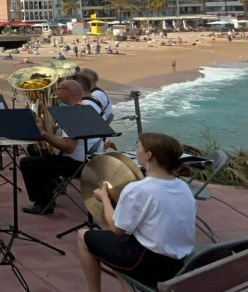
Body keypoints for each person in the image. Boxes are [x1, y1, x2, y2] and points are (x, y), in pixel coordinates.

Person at [77, 133, 196, 291]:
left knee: (83, 236)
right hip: (179, 262)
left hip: (147, 263)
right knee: (112, 247)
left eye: (138, 147)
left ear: (148, 155)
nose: (136, 150)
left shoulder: (138, 189)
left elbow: (116, 229)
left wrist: (105, 198)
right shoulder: (183, 187)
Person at [19, 80, 91, 214]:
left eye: (58, 89)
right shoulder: (83, 108)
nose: (56, 92)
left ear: (67, 92)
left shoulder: (73, 114)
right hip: (81, 159)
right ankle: (49, 193)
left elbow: (69, 147)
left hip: (75, 164)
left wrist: (44, 134)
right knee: (35, 151)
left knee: (27, 163)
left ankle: (42, 203)